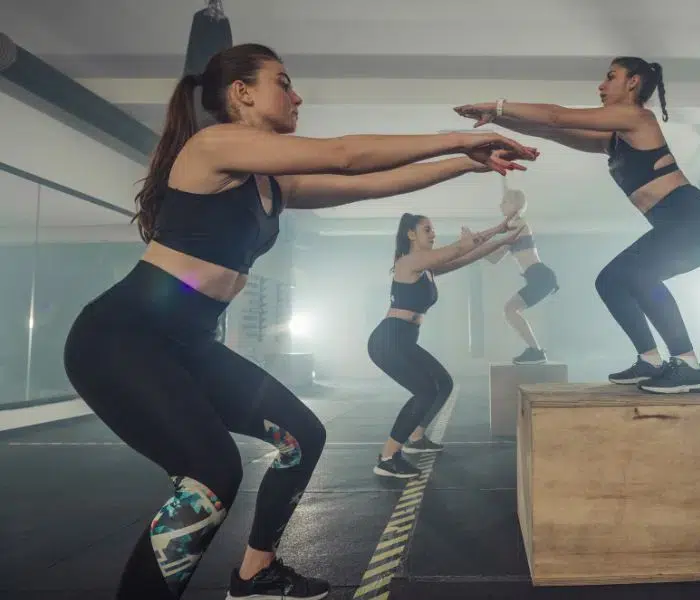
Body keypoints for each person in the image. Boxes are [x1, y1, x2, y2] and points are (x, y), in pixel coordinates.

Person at [61, 43, 537, 600]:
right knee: (211, 472)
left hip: (187, 343)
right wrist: (461, 136)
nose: (297, 95)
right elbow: (343, 155)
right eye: (282, 82)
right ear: (241, 92)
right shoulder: (213, 146)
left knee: (303, 436)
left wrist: (465, 163)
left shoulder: (273, 183)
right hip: (122, 339)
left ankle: (254, 573)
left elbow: (369, 183)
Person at [454, 56, 700, 394]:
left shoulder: (637, 117)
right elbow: (553, 129)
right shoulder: (613, 139)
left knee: (638, 275)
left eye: (610, 77)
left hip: (698, 218)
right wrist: (499, 122)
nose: (601, 86)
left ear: (633, 83)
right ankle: (650, 360)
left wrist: (499, 104)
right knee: (610, 281)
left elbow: (558, 114)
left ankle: (689, 365)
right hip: (681, 224)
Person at [368, 213, 525, 478]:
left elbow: (467, 255)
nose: (433, 233)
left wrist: (502, 237)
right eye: (427, 229)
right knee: (425, 391)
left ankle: (416, 439)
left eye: (433, 229)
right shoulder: (410, 261)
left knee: (444, 383)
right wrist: (487, 235)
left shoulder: (427, 267)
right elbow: (459, 248)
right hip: (389, 340)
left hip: (403, 340)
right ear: (411, 234)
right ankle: (387, 457)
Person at [483, 187, 558, 364]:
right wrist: (473, 247)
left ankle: (536, 352)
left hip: (540, 276)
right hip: (538, 277)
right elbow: (494, 258)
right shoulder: (512, 228)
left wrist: (475, 242)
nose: (500, 205)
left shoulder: (519, 224)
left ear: (515, 205)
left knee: (510, 310)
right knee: (510, 310)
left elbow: (498, 239)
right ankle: (535, 351)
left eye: (504, 202)